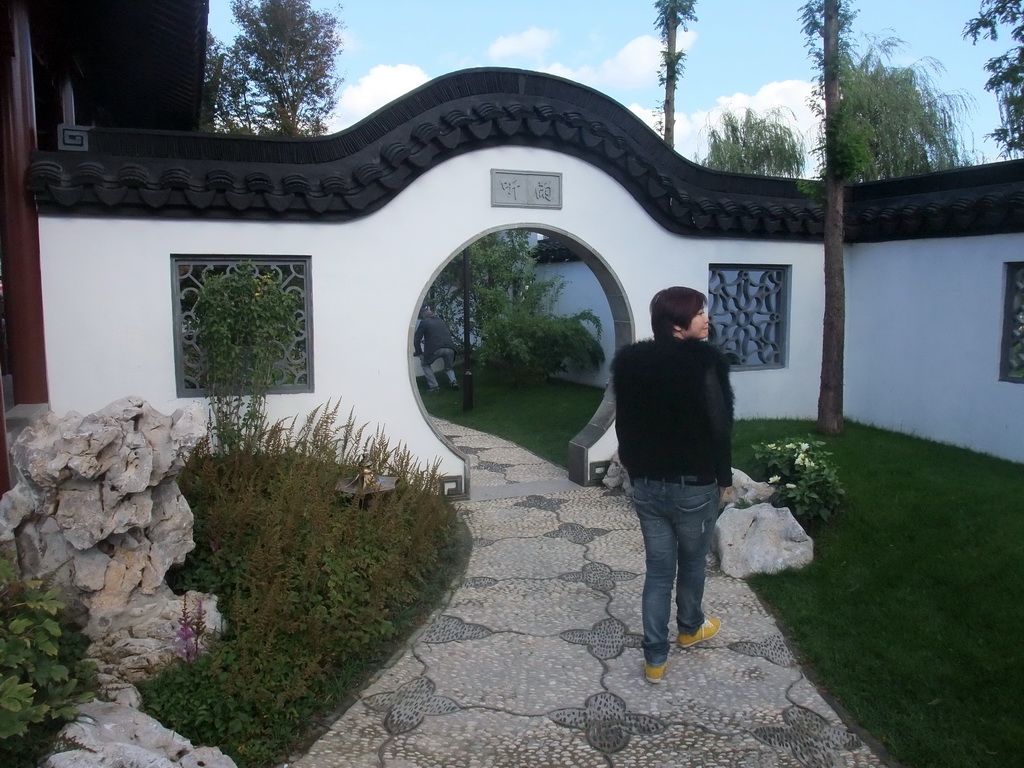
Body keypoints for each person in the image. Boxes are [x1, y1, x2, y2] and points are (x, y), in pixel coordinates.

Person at [610, 286, 734, 685]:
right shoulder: (706, 362)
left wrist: (633, 469)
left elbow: (624, 423)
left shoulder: (630, 363)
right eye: (700, 312)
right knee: (693, 561)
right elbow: (720, 426)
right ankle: (690, 627)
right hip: (694, 486)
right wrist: (725, 478)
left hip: (647, 486)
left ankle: (655, 659)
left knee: (659, 571)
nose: (706, 319)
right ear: (678, 324)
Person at [414, 306, 459, 391]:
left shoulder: (424, 322)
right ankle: (453, 381)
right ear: (431, 312)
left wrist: (419, 353)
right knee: (448, 367)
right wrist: (427, 341)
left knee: (425, 364)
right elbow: (439, 335)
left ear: (423, 314)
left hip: (436, 349)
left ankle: (434, 386)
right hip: (450, 348)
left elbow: (417, 339)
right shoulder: (441, 321)